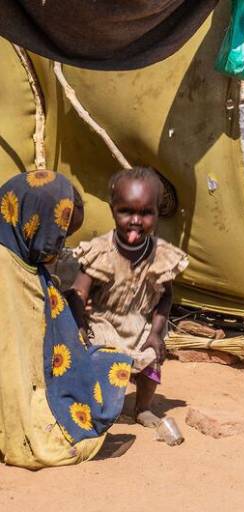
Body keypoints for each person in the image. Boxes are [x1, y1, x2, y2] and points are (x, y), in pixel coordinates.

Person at [0, 170, 132, 469]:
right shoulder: (4, 266)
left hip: (35, 376)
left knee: (110, 360)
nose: (59, 246)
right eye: (57, 234)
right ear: (35, 219)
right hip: (15, 386)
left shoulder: (27, 259)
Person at [69, 167, 188, 428]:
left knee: (151, 360)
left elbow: (166, 298)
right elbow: (79, 291)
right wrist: (78, 325)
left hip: (141, 320)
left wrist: (156, 332)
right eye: (126, 211)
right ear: (113, 210)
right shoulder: (101, 251)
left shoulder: (161, 255)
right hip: (103, 322)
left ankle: (143, 407)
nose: (136, 220)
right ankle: (99, 407)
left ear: (158, 214)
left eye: (146, 213)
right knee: (102, 361)